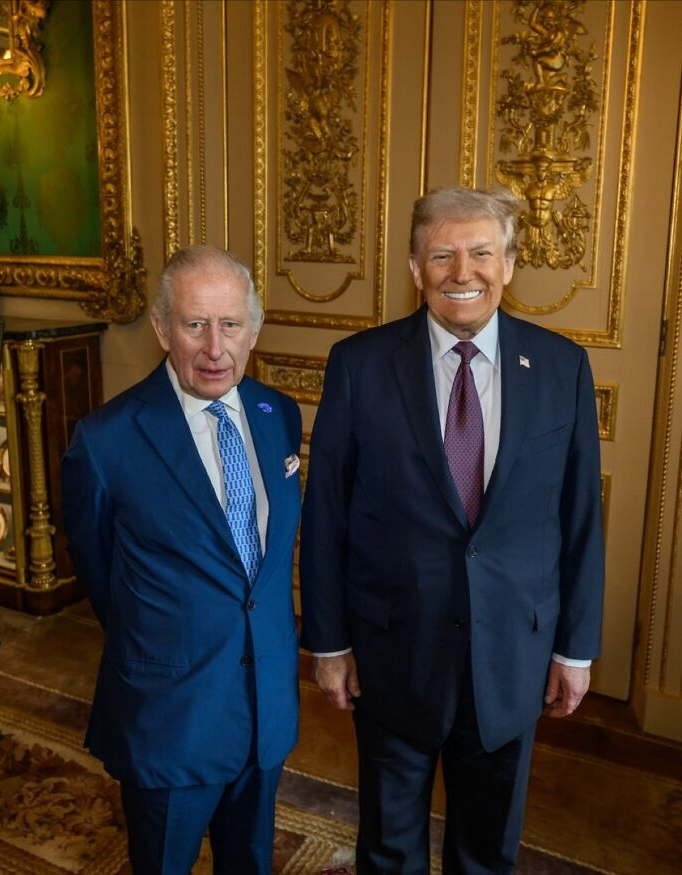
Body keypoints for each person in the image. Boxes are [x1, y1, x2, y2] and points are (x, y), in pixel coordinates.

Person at [299, 187, 604, 874]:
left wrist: (575, 650)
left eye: (481, 253)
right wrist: (329, 642)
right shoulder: (359, 365)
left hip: (513, 659)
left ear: (511, 264)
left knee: (488, 852)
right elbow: (327, 515)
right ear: (415, 268)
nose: (462, 271)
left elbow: (580, 516)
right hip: (392, 653)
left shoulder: (562, 368)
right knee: (387, 847)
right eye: (442, 254)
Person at [62, 245, 302, 874]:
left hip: (264, 709)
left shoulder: (279, 415)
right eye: (196, 324)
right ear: (163, 328)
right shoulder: (107, 440)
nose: (215, 348)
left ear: (254, 328)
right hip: (170, 716)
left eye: (230, 325)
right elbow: (101, 572)